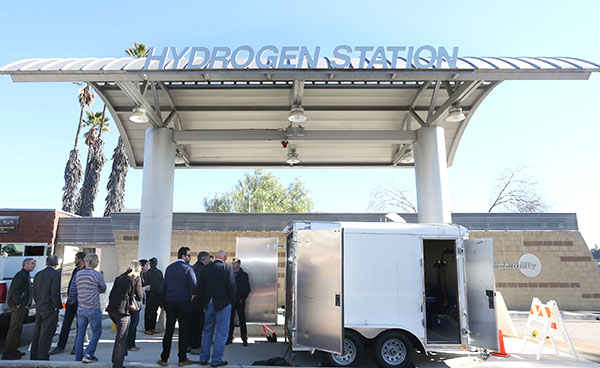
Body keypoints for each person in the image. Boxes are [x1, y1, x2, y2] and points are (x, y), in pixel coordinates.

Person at [157, 247, 197, 367]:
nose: (190, 258)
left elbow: (164, 286)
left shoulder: (169, 268)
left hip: (170, 302)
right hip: (184, 302)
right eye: (189, 255)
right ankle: (182, 359)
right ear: (183, 256)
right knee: (183, 332)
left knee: (168, 331)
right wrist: (192, 296)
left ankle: (164, 359)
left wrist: (162, 302)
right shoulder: (188, 268)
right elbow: (194, 285)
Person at [198, 250, 236, 367]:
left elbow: (200, 288)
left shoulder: (205, 269)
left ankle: (203, 358)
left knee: (208, 330)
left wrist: (203, 303)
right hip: (223, 303)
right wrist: (232, 301)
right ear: (224, 258)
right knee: (221, 332)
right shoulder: (227, 269)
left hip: (208, 302)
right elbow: (232, 287)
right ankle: (216, 360)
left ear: (215, 257)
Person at [106, 260, 144, 368]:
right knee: (121, 337)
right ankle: (118, 364)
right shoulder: (136, 278)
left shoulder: (119, 278)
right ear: (138, 269)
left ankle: (116, 356)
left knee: (120, 335)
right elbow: (140, 296)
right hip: (123, 310)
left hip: (112, 309)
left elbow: (112, 294)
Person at [51, 251, 86, 355]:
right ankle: (60, 346)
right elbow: (72, 283)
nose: (74, 261)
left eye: (75, 259)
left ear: (80, 259)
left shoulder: (87, 271)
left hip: (80, 303)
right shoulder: (75, 270)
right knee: (66, 324)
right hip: (71, 302)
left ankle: (77, 347)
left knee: (80, 326)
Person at [75, 253, 107, 363]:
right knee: (97, 332)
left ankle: (78, 357)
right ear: (95, 262)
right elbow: (103, 288)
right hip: (93, 307)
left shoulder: (78, 274)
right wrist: (96, 289)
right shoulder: (97, 274)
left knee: (80, 334)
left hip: (81, 307)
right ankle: (88, 353)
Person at [2, 258, 36, 360]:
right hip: (18, 306)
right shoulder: (20, 275)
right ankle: (8, 352)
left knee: (18, 328)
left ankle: (14, 349)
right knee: (14, 328)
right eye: (32, 263)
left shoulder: (26, 275)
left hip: (23, 306)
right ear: (25, 264)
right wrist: (17, 303)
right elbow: (15, 290)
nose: (34, 265)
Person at [30, 255, 62, 360]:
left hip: (39, 306)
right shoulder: (56, 274)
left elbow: (33, 291)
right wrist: (56, 305)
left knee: (37, 332)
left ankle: (34, 356)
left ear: (46, 263)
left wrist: (38, 302)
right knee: (46, 333)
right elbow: (55, 292)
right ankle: (42, 357)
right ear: (56, 264)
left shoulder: (38, 274)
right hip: (50, 307)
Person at [189, 251, 210, 353]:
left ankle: (188, 345)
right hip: (199, 300)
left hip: (191, 300)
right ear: (205, 259)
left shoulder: (192, 268)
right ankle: (196, 346)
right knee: (198, 324)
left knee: (191, 323)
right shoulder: (204, 270)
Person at [127, 259, 150, 351]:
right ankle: (131, 344)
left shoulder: (125, 276)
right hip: (134, 304)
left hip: (126, 303)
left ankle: (127, 343)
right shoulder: (137, 278)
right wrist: (144, 289)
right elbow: (139, 293)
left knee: (127, 325)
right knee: (133, 324)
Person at [227, 258, 251, 346]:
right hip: (231, 301)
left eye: (235, 263)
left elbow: (247, 288)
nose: (233, 265)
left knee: (242, 320)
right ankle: (229, 338)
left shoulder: (244, 275)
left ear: (239, 264)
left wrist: (242, 298)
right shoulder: (229, 274)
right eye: (232, 263)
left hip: (240, 301)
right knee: (230, 320)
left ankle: (244, 338)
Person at [144, 257, 163, 335]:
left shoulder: (159, 272)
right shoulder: (147, 273)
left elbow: (162, 282)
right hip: (151, 296)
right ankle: (148, 328)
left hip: (158, 296)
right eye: (151, 263)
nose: (153, 264)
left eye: (154, 263)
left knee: (155, 313)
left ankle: (153, 328)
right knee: (149, 312)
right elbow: (146, 284)